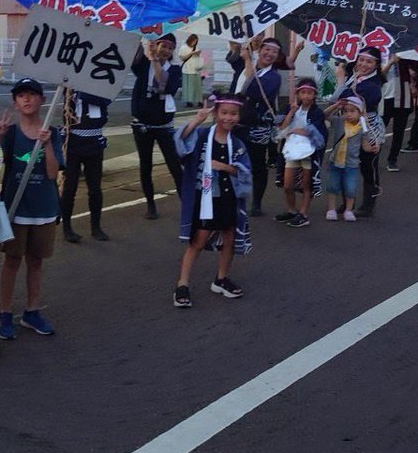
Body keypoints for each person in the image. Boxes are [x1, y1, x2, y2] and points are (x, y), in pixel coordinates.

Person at [0, 78, 63, 339]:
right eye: (21, 95)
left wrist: (46, 145)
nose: (26, 99)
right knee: (12, 260)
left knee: (36, 261)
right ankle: (4, 313)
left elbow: (52, 173)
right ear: (15, 101)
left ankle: (32, 311)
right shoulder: (11, 133)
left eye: (32, 95)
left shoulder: (52, 133)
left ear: (42, 100)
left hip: (44, 208)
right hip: (16, 207)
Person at [173, 92, 252, 307]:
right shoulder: (201, 136)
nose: (229, 117)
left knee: (229, 237)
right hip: (205, 197)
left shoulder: (237, 143)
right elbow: (180, 144)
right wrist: (198, 119)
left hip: (228, 198)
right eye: (224, 112)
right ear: (216, 114)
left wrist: (224, 167)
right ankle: (183, 284)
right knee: (198, 240)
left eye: (233, 114)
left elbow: (244, 172)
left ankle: (221, 278)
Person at [226, 35, 306, 217]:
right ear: (260, 49)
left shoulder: (273, 77)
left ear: (278, 56)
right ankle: (232, 199)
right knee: (233, 162)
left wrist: (247, 62)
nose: (269, 54)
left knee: (257, 165)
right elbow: (232, 60)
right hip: (235, 122)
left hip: (257, 125)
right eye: (267, 49)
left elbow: (252, 90)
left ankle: (256, 203)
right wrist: (236, 47)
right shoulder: (248, 62)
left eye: (274, 52)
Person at [130, 35, 184, 220]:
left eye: (171, 48)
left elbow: (165, 87)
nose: (166, 50)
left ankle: (188, 204)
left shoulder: (175, 69)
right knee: (146, 165)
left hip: (164, 125)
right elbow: (132, 56)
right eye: (164, 45)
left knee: (175, 164)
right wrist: (141, 40)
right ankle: (150, 205)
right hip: (142, 124)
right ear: (157, 44)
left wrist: (155, 61)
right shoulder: (144, 63)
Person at [328, 46, 385, 217]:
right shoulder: (354, 77)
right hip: (349, 126)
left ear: (376, 65)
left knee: (368, 166)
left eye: (369, 61)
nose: (364, 64)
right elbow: (337, 100)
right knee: (347, 162)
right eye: (361, 60)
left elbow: (344, 99)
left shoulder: (373, 85)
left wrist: (340, 82)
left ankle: (368, 203)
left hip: (368, 126)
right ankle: (347, 203)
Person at [60, 89, 112, 242]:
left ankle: (96, 227)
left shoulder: (100, 84)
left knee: (95, 187)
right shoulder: (70, 86)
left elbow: (106, 99)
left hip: (95, 141)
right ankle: (67, 227)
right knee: (70, 186)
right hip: (73, 141)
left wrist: (84, 91)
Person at [275, 77, 326, 228]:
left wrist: (297, 131)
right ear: (297, 94)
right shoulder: (290, 108)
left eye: (309, 93)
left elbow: (317, 134)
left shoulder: (317, 112)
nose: (306, 96)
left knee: (306, 185)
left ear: (314, 95)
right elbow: (282, 129)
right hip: (291, 150)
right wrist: (291, 113)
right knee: (287, 185)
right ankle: (291, 210)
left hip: (308, 152)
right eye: (303, 92)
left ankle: (303, 213)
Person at [324, 96, 377, 222]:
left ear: (360, 112)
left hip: (351, 163)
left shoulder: (363, 128)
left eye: (352, 111)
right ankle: (331, 209)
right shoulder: (339, 121)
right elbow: (324, 115)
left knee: (350, 188)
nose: (348, 114)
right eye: (346, 111)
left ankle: (348, 210)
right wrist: (336, 106)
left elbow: (365, 145)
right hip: (335, 161)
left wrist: (371, 149)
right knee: (332, 186)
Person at [385, 57, 418, 172]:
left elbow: (416, 69)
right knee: (379, 129)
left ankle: (392, 159)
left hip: (403, 95)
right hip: (385, 95)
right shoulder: (382, 50)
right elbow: (378, 74)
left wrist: (413, 84)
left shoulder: (407, 53)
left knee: (399, 130)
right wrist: (391, 62)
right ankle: (371, 156)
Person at [179, 34, 207, 108]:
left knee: (197, 87)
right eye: (193, 41)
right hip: (187, 69)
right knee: (188, 87)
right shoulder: (183, 47)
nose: (194, 43)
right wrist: (191, 53)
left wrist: (198, 54)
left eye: (196, 41)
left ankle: (199, 101)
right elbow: (182, 58)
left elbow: (199, 58)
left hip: (196, 69)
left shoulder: (196, 48)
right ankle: (189, 101)